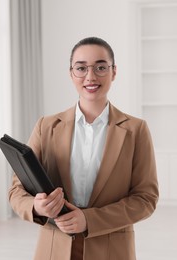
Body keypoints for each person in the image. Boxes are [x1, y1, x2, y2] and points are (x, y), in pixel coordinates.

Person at [8, 36, 159, 260]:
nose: (90, 76)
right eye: (81, 68)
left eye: (100, 67)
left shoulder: (136, 130)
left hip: (111, 250)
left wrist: (89, 220)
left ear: (114, 72)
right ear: (71, 73)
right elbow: (16, 191)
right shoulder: (46, 126)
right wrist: (37, 207)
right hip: (53, 249)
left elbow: (146, 199)